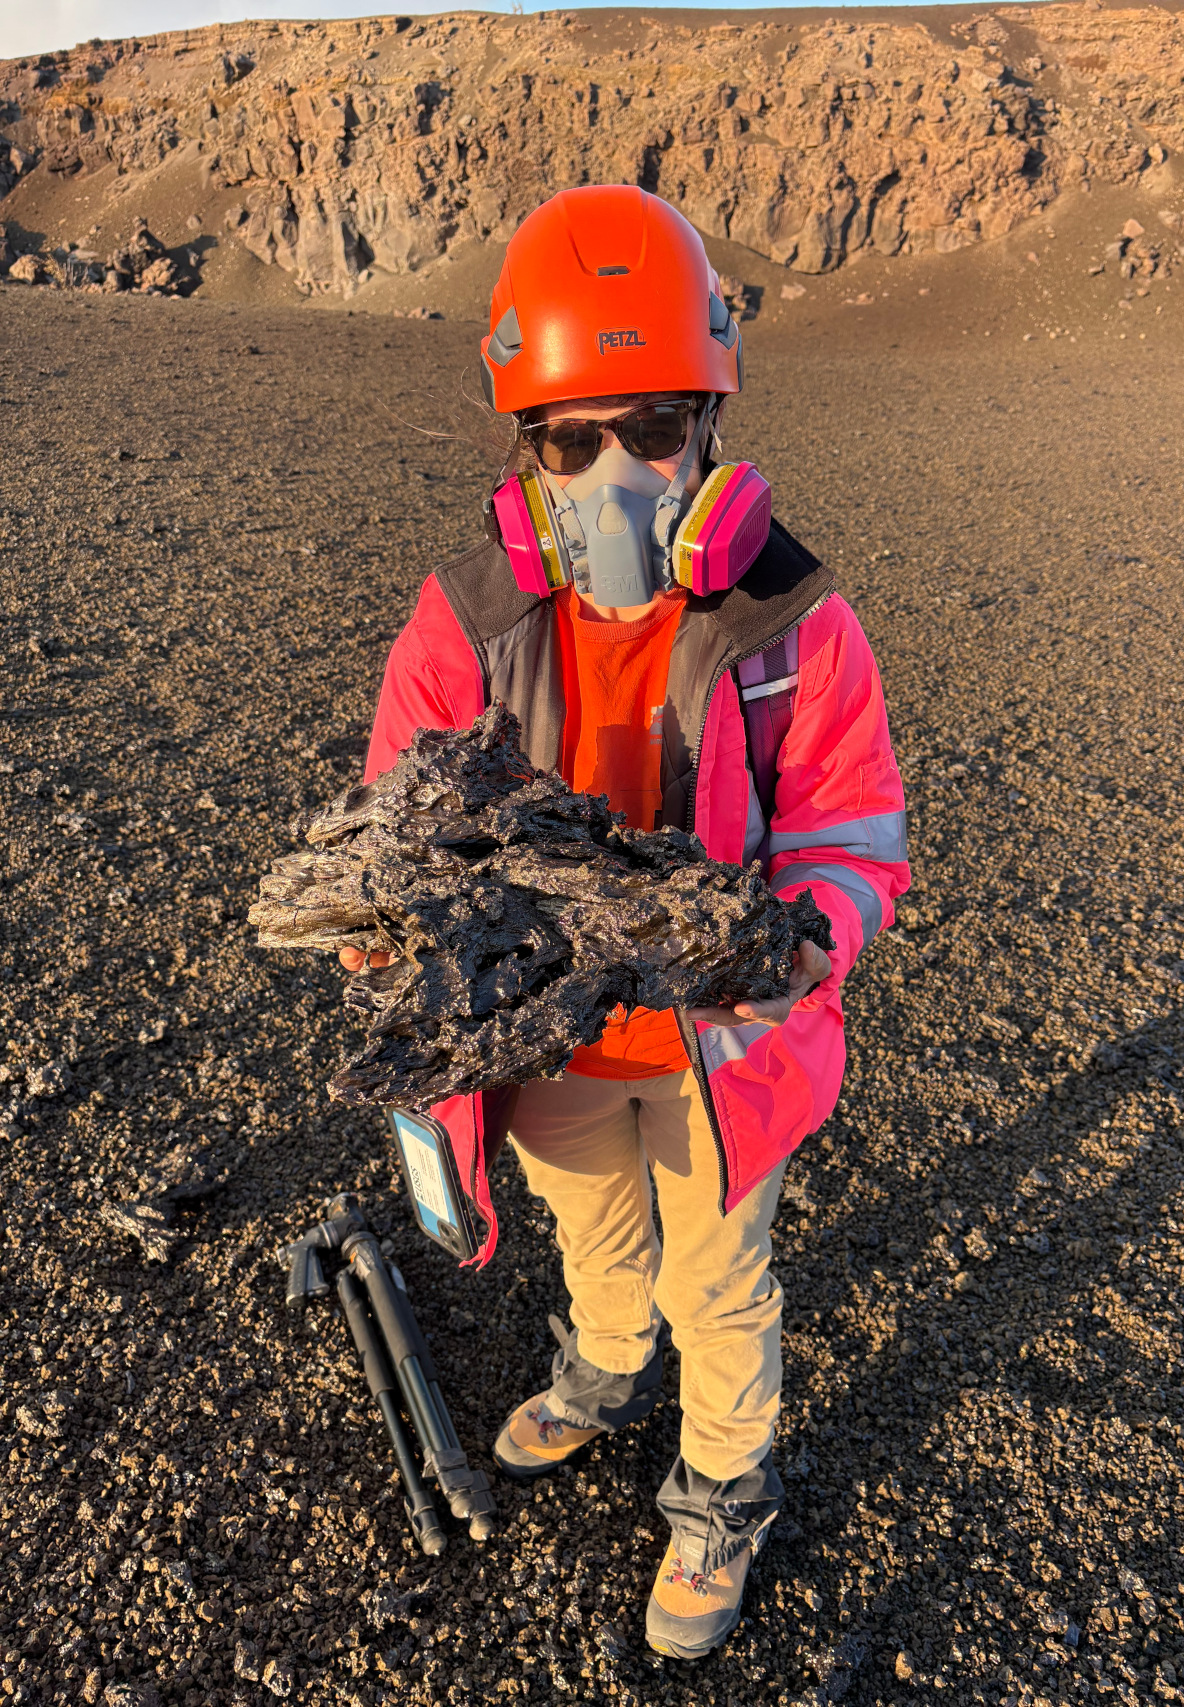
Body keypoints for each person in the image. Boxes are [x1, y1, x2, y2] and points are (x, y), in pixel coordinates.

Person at [341, 185, 910, 1659]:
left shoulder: (793, 622)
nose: (617, 470)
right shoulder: (461, 620)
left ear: (714, 424)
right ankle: (600, 1369)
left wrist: (806, 939)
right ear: (521, 444)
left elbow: (856, 827)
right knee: (592, 1233)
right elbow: (399, 827)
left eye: (654, 427)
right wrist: (388, 932)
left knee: (722, 1275)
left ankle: (724, 1483)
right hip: (558, 1057)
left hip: (728, 1051)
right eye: (571, 435)